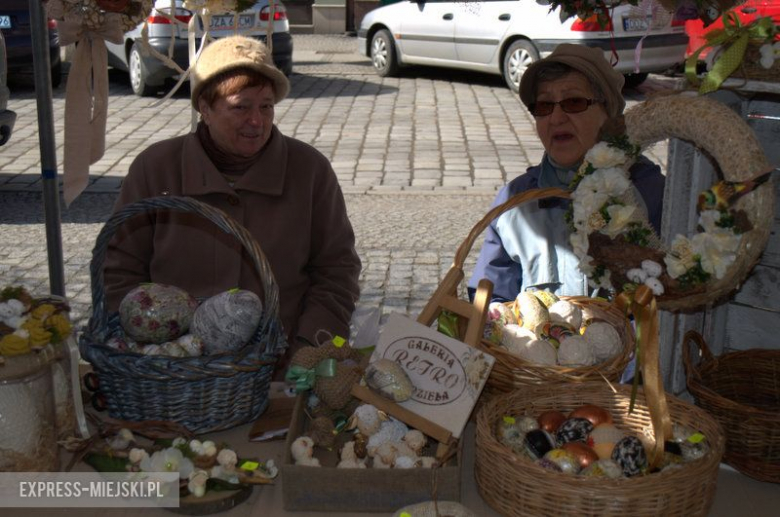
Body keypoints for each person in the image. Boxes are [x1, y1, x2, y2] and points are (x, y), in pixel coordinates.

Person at [103, 36, 361, 367]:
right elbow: (119, 269)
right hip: (171, 371)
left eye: (266, 106)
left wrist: (309, 346)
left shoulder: (309, 169)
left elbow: (337, 270)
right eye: (240, 106)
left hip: (280, 365)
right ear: (205, 108)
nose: (257, 121)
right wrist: (148, 348)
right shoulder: (156, 168)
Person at [468, 44, 665, 302]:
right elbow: (490, 295)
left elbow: (672, 300)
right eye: (544, 105)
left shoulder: (650, 193)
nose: (556, 118)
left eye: (573, 102)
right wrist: (500, 320)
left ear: (608, 113)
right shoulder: (515, 202)